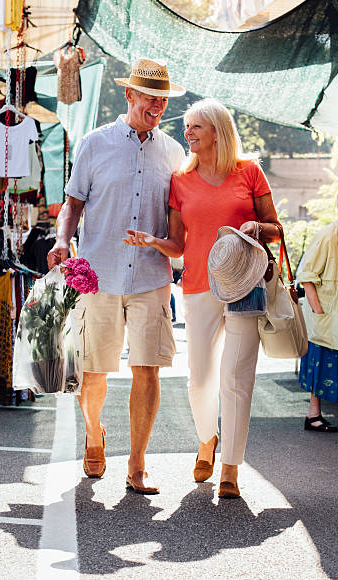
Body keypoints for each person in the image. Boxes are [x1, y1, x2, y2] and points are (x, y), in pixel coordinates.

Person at [124, 98, 281, 498]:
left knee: (236, 377)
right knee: (200, 380)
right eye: (188, 126)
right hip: (197, 287)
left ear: (217, 132)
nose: (188, 132)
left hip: (244, 285)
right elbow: (177, 245)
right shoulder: (181, 179)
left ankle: (230, 467)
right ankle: (207, 438)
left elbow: (276, 228)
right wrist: (152, 241)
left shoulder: (249, 172)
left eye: (196, 127)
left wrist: (257, 227)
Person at [47, 58, 185, 494]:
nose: (157, 105)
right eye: (150, 96)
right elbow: (72, 204)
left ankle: (138, 464)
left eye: (162, 98)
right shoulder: (93, 143)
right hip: (100, 274)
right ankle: (94, 436)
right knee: (94, 372)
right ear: (129, 95)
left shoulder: (174, 153)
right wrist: (60, 242)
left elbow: (177, 219)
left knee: (148, 370)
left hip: (150, 277)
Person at [296, 218, 338, 432]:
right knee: (321, 362)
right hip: (326, 316)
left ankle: (314, 416)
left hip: (331, 315)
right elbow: (306, 276)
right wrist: (319, 311)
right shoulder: (327, 235)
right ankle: (313, 416)